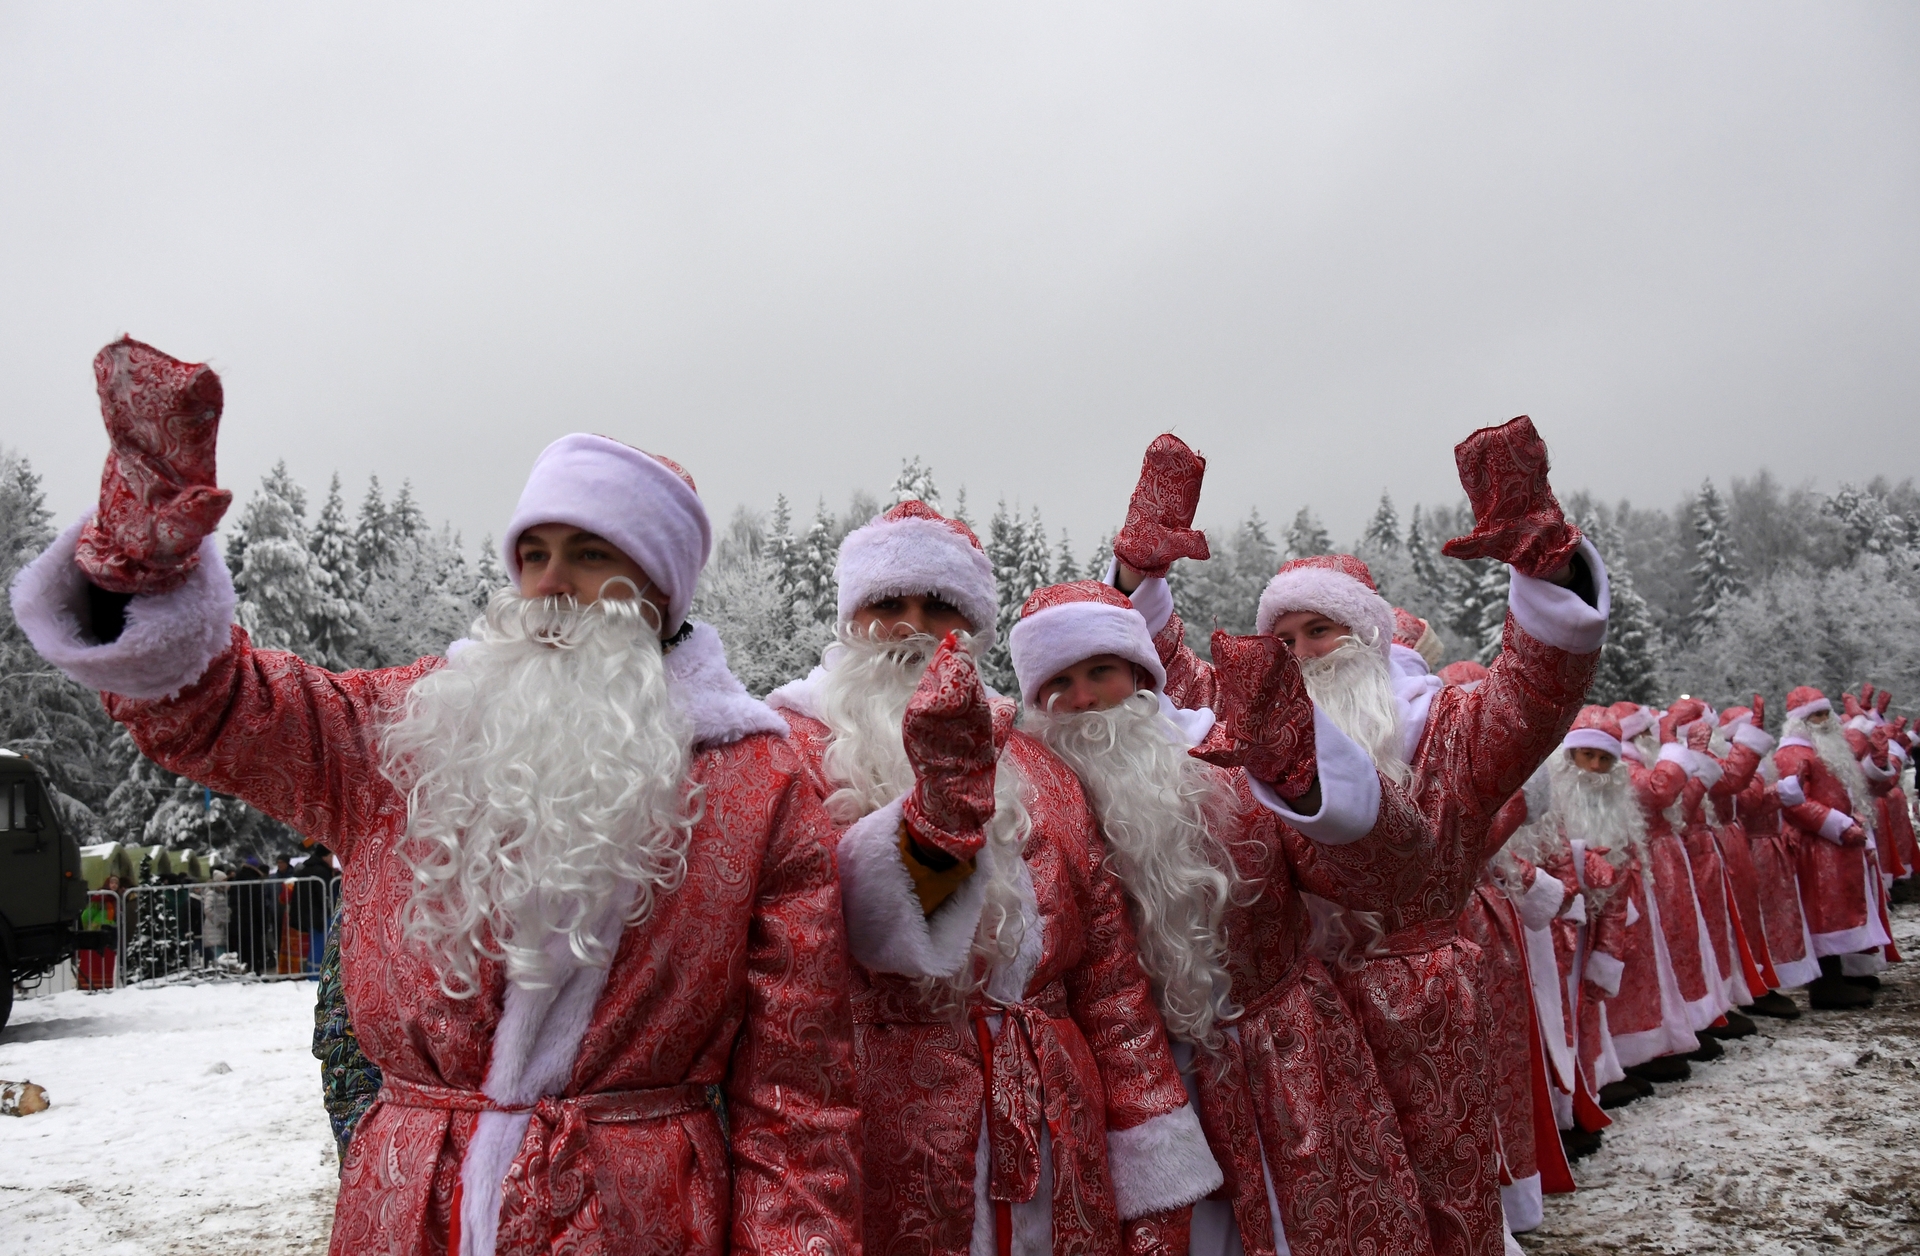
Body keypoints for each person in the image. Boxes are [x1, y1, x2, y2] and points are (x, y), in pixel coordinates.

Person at [10, 337, 862, 1256]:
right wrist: (140, 564)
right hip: (409, 1206)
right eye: (532, 553)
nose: (549, 583)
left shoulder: (757, 782)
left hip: (638, 1214)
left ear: (660, 586)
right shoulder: (409, 726)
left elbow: (800, 1098)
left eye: (589, 554)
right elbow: (217, 710)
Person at [1114, 419, 1609, 1256]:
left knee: (1437, 1188)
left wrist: (1545, 561)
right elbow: (1157, 667)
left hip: (1414, 999)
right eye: (1287, 637)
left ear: (1371, 635)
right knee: (1329, 1206)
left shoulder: (1448, 725)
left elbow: (1539, 686)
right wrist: (1138, 571)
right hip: (1297, 1014)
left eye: (1322, 631)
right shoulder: (1262, 708)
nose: (1303, 653)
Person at [766, 499, 1220, 1256]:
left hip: (1057, 1136)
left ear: (969, 628)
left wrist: (1153, 1160)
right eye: (888, 605)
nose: (911, 625)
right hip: (887, 1139)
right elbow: (812, 950)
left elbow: (1109, 987)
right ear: (851, 620)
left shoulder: (1037, 761)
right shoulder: (796, 752)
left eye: (938, 606)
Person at [1006, 573, 1436, 1256]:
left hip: (1291, 1063)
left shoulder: (1228, 763)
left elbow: (1383, 870)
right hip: (1142, 1091)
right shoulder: (1032, 804)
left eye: (1101, 671)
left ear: (1142, 675)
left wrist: (1305, 769)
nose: (1083, 700)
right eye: (1058, 684)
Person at [1775, 686, 1887, 1008]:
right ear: (1800, 721)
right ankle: (1827, 986)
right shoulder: (1793, 754)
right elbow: (1795, 803)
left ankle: (1844, 975)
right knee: (1823, 914)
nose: (1824, 720)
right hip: (1816, 845)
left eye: (1826, 713)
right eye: (1815, 715)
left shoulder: (1824, 749)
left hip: (1838, 845)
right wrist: (1836, 825)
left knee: (1842, 910)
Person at [77, 874, 121, 990]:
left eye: (116, 883)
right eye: (112, 883)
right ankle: (88, 984)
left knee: (106, 961)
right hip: (97, 933)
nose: (114, 885)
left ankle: (104, 984)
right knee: (93, 961)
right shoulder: (99, 898)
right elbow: (86, 915)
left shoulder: (116, 899)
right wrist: (89, 929)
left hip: (109, 934)